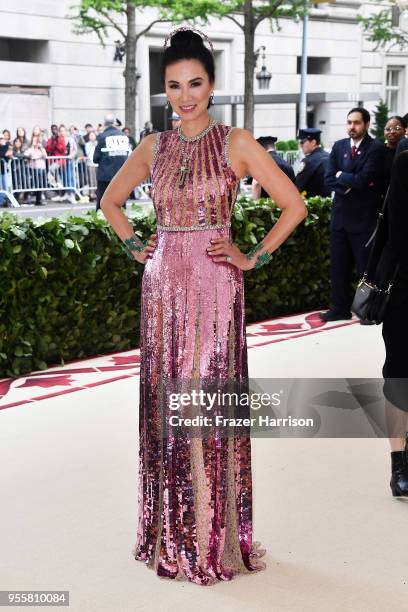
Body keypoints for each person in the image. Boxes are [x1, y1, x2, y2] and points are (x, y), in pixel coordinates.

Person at [100, 27, 306, 586]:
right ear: (163, 90)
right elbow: (110, 201)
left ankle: (212, 532)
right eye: (174, 85)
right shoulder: (153, 147)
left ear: (212, 85)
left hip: (217, 284)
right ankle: (171, 531)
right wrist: (133, 245)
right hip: (162, 283)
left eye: (195, 82)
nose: (185, 95)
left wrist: (251, 258)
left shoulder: (237, 143)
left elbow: (294, 206)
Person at [321, 107, 386, 322]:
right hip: (340, 219)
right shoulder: (339, 147)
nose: (352, 127)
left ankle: (368, 311)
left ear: (366, 124)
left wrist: (344, 176)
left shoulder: (376, 148)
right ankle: (339, 309)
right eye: (349, 122)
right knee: (338, 268)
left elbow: (366, 178)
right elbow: (329, 179)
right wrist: (349, 181)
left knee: (365, 269)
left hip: (363, 221)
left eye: (357, 123)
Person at [378, 151, 408, 495]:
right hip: (406, 293)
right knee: (399, 376)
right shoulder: (405, 164)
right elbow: (400, 236)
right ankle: (398, 462)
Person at [93, 113, 131, 210]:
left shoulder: (102, 137)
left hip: (105, 175)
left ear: (105, 123)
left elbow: (95, 158)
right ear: (114, 123)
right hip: (121, 175)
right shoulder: (123, 136)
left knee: (102, 202)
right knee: (120, 202)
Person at [295, 128, 331, 197]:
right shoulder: (329, 156)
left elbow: (297, 186)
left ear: (313, 142)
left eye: (302, 142)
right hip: (327, 202)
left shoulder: (308, 161)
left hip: (312, 204)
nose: (300, 145)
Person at [383, 115, 406, 189]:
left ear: (404, 131)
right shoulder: (379, 151)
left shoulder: (405, 153)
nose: (392, 132)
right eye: (388, 129)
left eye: (397, 128)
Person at [24, 135, 47, 206]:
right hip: (34, 169)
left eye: (37, 141)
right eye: (34, 141)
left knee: (40, 184)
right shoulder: (30, 149)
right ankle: (30, 198)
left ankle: (38, 199)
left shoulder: (41, 149)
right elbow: (26, 154)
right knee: (35, 184)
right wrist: (32, 147)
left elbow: (45, 156)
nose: (36, 143)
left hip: (42, 168)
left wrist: (41, 148)